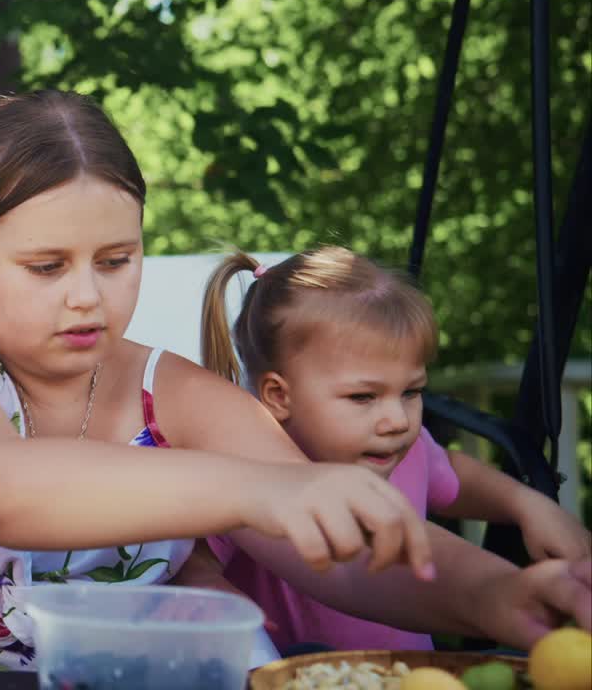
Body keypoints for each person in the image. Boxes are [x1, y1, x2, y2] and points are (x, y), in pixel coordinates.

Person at [0, 89, 591, 671]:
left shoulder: (174, 395)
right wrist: (261, 490)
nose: (87, 296)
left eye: (115, 261)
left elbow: (341, 555)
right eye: (46, 267)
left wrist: (497, 595)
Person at [196, 246, 591, 653]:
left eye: (411, 392)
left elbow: (456, 479)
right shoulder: (254, 475)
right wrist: (212, 595)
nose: (398, 420)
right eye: (363, 397)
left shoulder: (406, 448)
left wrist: (527, 505)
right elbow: (195, 557)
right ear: (279, 395)